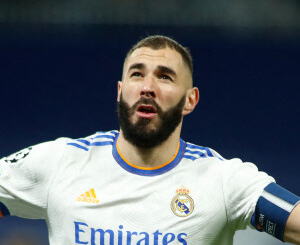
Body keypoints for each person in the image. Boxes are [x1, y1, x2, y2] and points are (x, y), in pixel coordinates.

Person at [0, 35, 299, 245]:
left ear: (190, 100)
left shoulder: (223, 180)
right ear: (120, 91)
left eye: (165, 77)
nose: (147, 87)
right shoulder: (61, 162)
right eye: (136, 74)